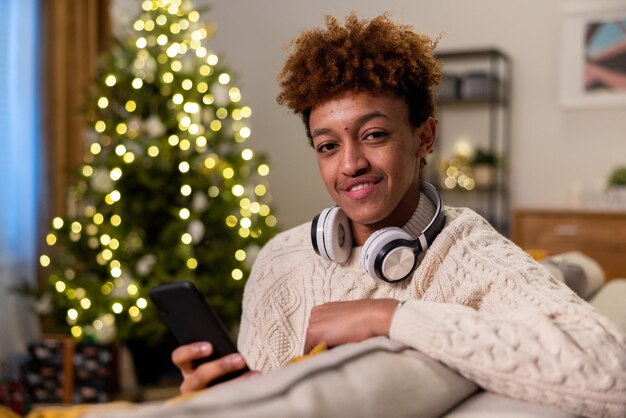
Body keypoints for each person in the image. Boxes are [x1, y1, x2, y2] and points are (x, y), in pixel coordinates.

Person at [173, 13, 626, 417]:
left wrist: (390, 315)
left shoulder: (475, 256)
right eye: (328, 145)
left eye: (373, 134)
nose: (350, 164)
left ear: (424, 137)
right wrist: (214, 396)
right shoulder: (280, 259)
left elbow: (612, 370)